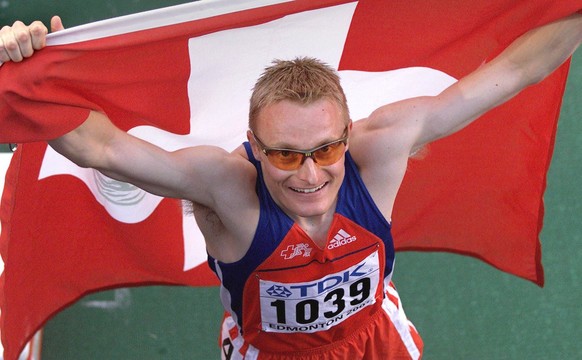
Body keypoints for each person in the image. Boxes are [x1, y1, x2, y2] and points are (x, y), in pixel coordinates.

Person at [1, 12, 581, 360]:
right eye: (284, 155)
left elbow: (516, 71)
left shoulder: (382, 147)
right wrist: (29, 69)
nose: (309, 174)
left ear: (348, 134)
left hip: (373, 340)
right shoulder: (224, 188)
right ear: (251, 146)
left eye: (326, 149)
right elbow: (98, 146)